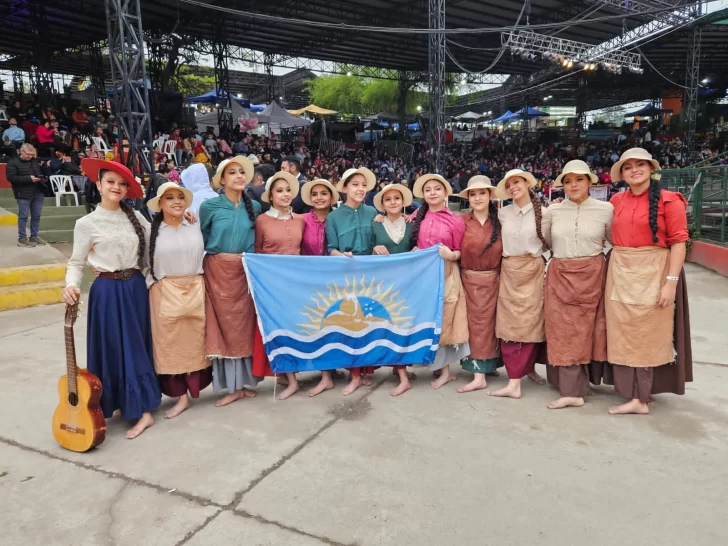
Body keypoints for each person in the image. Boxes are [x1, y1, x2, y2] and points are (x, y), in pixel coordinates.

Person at [61, 159, 161, 439]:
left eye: (121, 183)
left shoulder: (137, 217)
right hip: (106, 291)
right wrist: (70, 285)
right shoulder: (86, 223)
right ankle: (118, 402)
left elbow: (157, 243)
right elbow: (76, 263)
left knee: (135, 347)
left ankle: (142, 411)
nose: (116, 187)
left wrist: (182, 219)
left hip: (135, 289)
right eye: (110, 182)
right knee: (112, 347)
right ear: (99, 185)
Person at [603, 148, 692, 415]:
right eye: (628, 167)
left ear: (651, 168)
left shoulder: (669, 201)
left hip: (655, 271)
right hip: (621, 271)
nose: (634, 170)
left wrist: (670, 282)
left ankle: (641, 397)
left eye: (640, 164)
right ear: (622, 173)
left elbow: (679, 242)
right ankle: (631, 392)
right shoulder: (617, 200)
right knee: (623, 332)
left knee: (649, 333)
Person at [541, 160, 613, 409]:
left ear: (590, 182)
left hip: (593, 275)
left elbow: (613, 240)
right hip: (560, 273)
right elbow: (548, 241)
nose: (573, 185)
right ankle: (570, 389)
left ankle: (585, 383)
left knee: (590, 330)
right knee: (562, 330)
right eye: (568, 181)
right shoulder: (552, 212)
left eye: (579, 179)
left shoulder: (606, 209)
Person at [146, 182, 212, 419]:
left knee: (194, 344)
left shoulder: (194, 225)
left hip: (195, 288)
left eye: (180, 197)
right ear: (160, 203)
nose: (176, 202)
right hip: (165, 291)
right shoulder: (151, 231)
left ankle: (193, 391)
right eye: (170, 198)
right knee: (169, 347)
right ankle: (179, 396)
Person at [199, 156, 261, 407]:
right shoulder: (210, 207)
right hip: (217, 272)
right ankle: (231, 386)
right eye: (231, 172)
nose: (238, 176)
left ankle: (244, 383)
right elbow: (201, 238)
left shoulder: (254, 207)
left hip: (244, 271)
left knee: (243, 327)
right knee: (223, 327)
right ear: (221, 179)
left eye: (241, 172)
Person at [490, 169, 547, 400]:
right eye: (510, 183)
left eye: (518, 182)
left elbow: (551, 242)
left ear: (527, 183)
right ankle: (514, 379)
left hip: (533, 269)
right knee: (510, 324)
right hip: (510, 270)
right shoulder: (502, 214)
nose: (514, 186)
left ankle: (528, 369)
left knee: (532, 322)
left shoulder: (545, 213)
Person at [410, 173, 469, 390]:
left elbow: (460, 251)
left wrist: (451, 255)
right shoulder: (419, 217)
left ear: (445, 192)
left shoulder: (455, 220)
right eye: (428, 190)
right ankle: (434, 366)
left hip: (447, 274)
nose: (432, 193)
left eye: (437, 188)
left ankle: (445, 371)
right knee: (428, 320)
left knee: (444, 320)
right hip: (425, 277)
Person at [324, 167, 378, 395]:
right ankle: (353, 374)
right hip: (346, 276)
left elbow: (379, 240)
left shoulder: (373, 212)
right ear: (344, 188)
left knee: (369, 323)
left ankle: (364, 371)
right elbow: (331, 249)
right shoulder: (334, 217)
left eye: (363, 185)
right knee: (351, 324)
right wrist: (342, 256)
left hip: (371, 277)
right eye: (355, 184)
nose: (360, 189)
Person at [251, 171, 305, 400]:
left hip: (296, 284)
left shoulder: (301, 220)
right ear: (270, 195)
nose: (285, 194)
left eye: (287, 190)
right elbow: (257, 253)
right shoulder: (262, 220)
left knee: (295, 328)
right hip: (272, 286)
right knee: (278, 330)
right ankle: (290, 378)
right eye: (279, 191)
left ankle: (289, 374)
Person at [455, 176, 504, 394]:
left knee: (492, 326)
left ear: (490, 195)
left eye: (481, 193)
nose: (477, 198)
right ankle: (477, 374)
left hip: (496, 280)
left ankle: (490, 366)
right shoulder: (461, 221)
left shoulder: (502, 220)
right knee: (474, 326)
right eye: (473, 194)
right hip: (468, 280)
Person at [370, 182, 415, 396]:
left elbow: (418, 245)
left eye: (396, 198)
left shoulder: (412, 224)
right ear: (382, 205)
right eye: (388, 199)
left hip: (407, 283)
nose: (393, 202)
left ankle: (403, 370)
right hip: (384, 284)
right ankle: (401, 372)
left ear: (403, 201)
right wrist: (373, 248)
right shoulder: (375, 224)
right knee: (390, 324)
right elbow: (368, 249)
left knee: (404, 325)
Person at [5, 144, 46, 247]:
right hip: (23, 193)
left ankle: (34, 236)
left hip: (38, 192)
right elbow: (11, 178)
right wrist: (29, 179)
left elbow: (38, 172)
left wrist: (42, 177)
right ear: (21, 151)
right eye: (28, 154)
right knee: (23, 217)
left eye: (32, 155)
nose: (30, 157)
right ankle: (22, 238)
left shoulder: (34, 161)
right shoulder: (12, 163)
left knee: (36, 216)